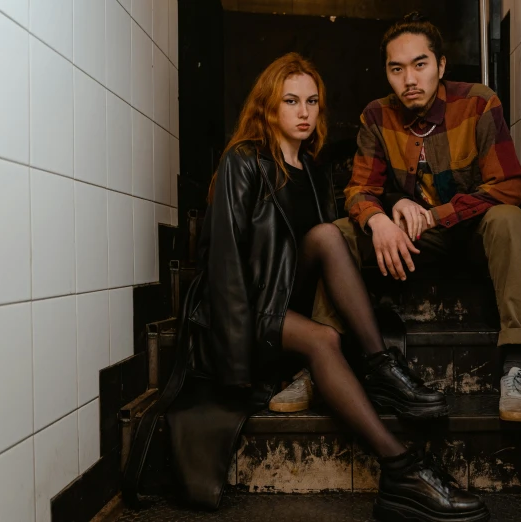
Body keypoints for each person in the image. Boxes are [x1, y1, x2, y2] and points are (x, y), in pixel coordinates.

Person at [201, 52, 490, 522]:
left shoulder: (313, 171)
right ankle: (401, 466)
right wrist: (237, 366)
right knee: (325, 338)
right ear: (269, 107)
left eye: (312, 101)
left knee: (328, 234)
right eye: (290, 101)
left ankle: (380, 367)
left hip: (285, 301)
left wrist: (392, 210)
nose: (303, 112)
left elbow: (316, 253)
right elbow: (225, 263)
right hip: (247, 310)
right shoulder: (245, 160)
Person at [312, 12, 521, 423]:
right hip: (408, 244)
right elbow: (359, 189)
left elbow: (507, 184)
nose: (409, 79)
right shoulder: (376, 116)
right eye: (396, 69)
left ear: (441, 66)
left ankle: (517, 365)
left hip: (469, 237)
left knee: (509, 218)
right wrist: (379, 220)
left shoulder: (478, 102)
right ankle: (318, 356)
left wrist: (435, 216)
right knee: (340, 232)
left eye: (420, 64)